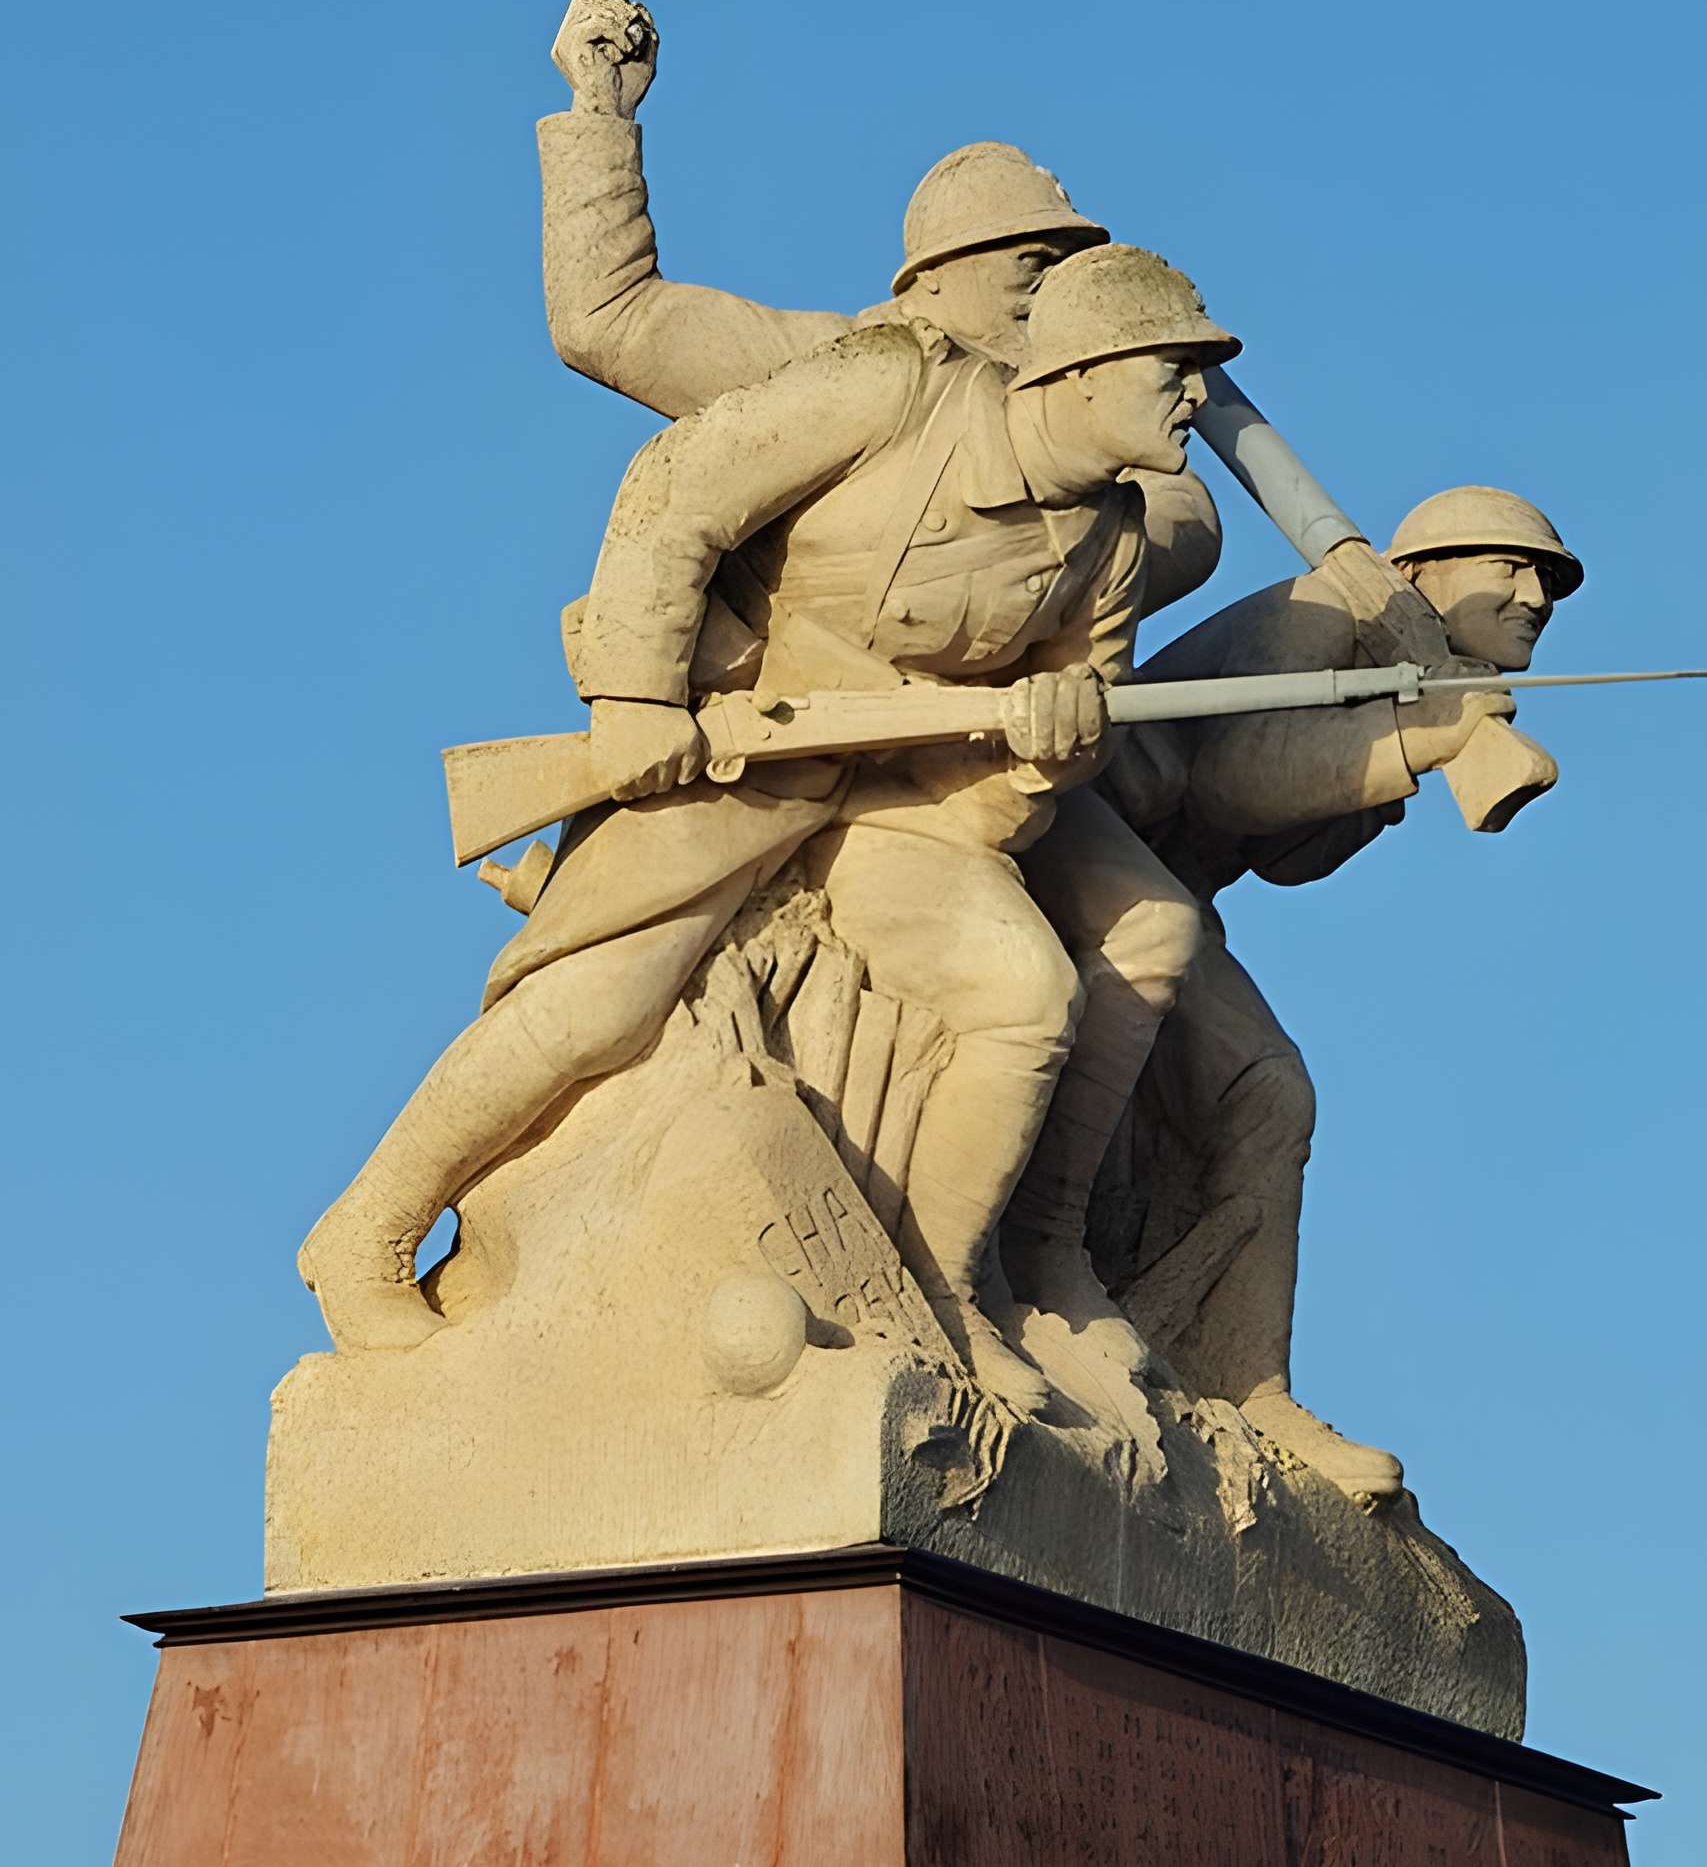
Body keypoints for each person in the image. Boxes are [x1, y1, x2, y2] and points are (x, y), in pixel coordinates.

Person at [300, 246, 1227, 1418]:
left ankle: (946, 1297)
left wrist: (1049, 750)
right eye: (1173, 367)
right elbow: (679, 485)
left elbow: (1051, 755)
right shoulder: (896, 385)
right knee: (603, 996)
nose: (1195, 397)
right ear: (1084, 370)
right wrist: (636, 696)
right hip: (741, 743)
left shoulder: (1115, 542)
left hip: (906, 806)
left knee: (1026, 996)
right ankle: (367, 1228)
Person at [1094, 486, 1583, 1498]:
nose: (1535, 595)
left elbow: (1284, 860)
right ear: (1419, 574)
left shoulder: (1411, 671)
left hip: (1173, 887)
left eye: (1546, 580)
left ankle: (1248, 1381)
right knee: (1251, 1085)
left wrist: (1410, 749)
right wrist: (1416, 741)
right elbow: (1224, 780)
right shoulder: (1327, 614)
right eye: (1510, 568)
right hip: (1092, 851)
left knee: (1268, 1095)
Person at [538, 0, 1232, 613]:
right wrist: (601, 112)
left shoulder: (1103, 435)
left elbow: (1187, 522)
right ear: (933, 276)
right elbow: (607, 321)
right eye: (1032, 262)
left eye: (1066, 267)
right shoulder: (841, 366)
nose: (1054, 289)